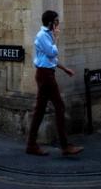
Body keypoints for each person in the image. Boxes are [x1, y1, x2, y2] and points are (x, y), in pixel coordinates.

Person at [25, 9, 83, 156]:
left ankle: (31, 144)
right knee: (59, 107)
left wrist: (65, 69)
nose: (58, 24)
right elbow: (52, 53)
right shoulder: (42, 36)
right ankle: (65, 146)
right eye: (56, 21)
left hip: (46, 74)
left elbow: (51, 60)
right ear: (51, 23)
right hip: (45, 76)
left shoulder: (47, 35)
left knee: (40, 110)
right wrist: (56, 38)